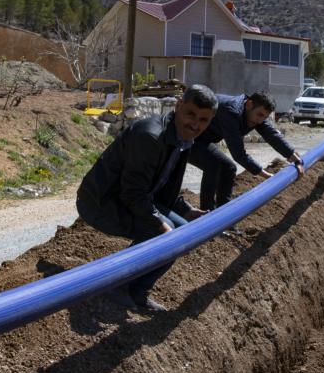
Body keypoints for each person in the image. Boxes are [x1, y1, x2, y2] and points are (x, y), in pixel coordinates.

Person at [75, 84, 218, 312]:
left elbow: (161, 185)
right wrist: (161, 224)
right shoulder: (151, 136)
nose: (195, 124)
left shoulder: (182, 137)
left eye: (203, 120)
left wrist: (183, 209)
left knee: (183, 233)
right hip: (100, 202)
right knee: (167, 235)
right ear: (179, 105)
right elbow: (132, 192)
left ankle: (137, 290)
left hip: (129, 198)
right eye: (191, 114)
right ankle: (119, 286)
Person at [188, 91, 304, 210]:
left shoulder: (252, 112)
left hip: (202, 138)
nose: (260, 121)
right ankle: (206, 215)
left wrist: (293, 157)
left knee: (229, 168)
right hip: (185, 136)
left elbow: (271, 135)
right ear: (249, 104)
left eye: (264, 117)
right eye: (260, 115)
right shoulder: (231, 111)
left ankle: (224, 214)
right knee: (213, 164)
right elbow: (238, 154)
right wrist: (266, 175)